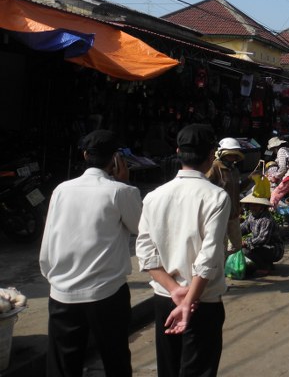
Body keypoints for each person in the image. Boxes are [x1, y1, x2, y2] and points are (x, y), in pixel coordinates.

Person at [40, 130, 142, 377]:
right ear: (116, 159)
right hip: (107, 292)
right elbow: (141, 227)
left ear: (85, 155)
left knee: (63, 365)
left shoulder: (62, 189)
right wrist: (125, 182)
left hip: (62, 290)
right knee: (115, 359)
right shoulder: (121, 191)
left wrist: (54, 277)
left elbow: (49, 238)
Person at [136, 124, 230, 377]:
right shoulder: (216, 197)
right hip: (203, 301)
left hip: (166, 299)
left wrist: (175, 291)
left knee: (168, 369)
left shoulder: (154, 196)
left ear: (178, 152)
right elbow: (208, 257)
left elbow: (145, 252)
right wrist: (188, 301)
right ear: (212, 155)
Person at [206, 137, 244, 254]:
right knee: (221, 245)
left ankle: (234, 269)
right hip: (219, 213)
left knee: (237, 245)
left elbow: (237, 189)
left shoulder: (234, 170)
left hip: (233, 213)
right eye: (229, 155)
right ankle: (221, 270)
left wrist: (250, 178)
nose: (232, 158)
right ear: (222, 154)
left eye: (234, 155)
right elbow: (206, 186)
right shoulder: (215, 167)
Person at [239, 194, 284, 276]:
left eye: (256, 205)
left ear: (262, 206)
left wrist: (245, 242)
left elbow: (262, 239)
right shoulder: (252, 216)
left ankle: (264, 267)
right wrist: (233, 234)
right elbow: (244, 228)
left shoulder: (266, 220)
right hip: (262, 247)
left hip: (274, 249)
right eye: (251, 205)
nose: (252, 207)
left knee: (245, 250)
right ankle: (267, 264)